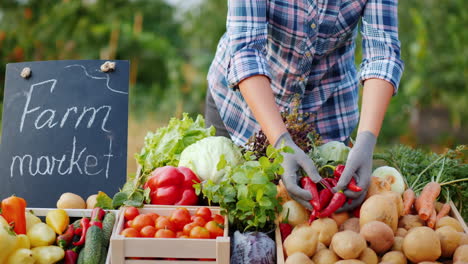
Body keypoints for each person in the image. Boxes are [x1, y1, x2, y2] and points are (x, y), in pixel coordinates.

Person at [205, 0, 403, 211]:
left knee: (311, 220)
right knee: (232, 214)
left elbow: (382, 55)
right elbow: (246, 52)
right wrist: (281, 143)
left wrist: (367, 138)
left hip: (326, 115)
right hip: (243, 109)